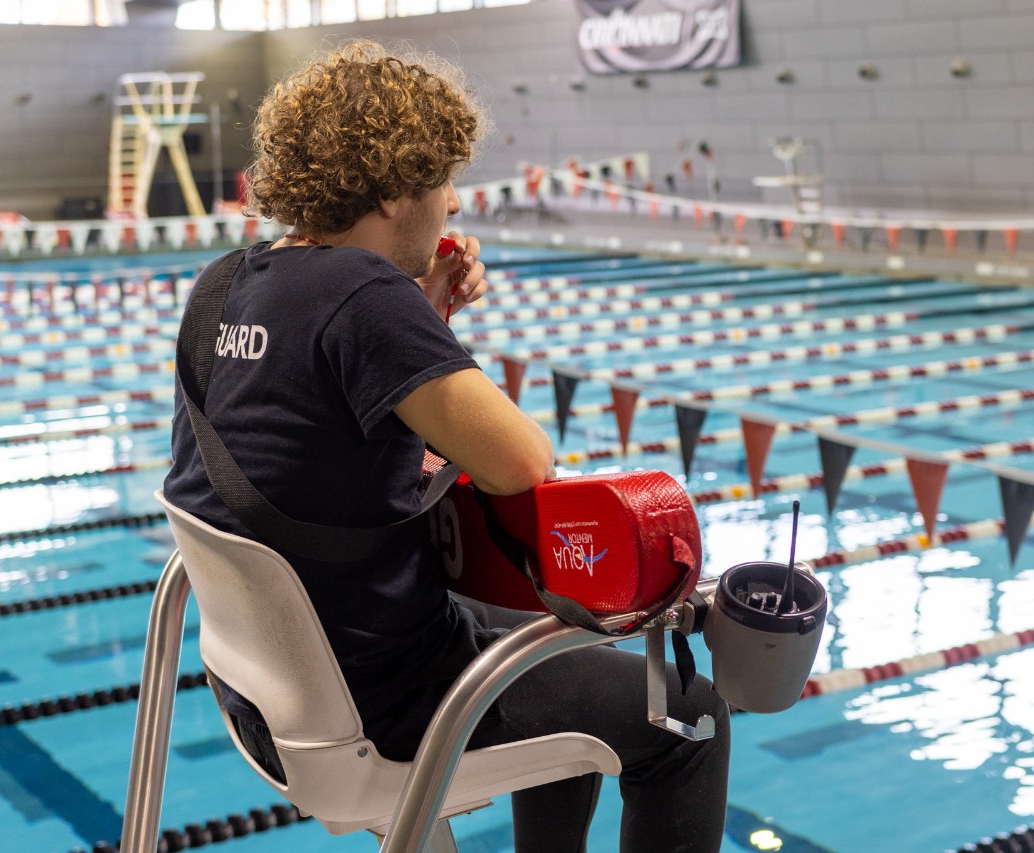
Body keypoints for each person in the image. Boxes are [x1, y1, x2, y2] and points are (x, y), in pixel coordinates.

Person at [164, 39, 729, 852]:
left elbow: (312, 434)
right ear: (396, 189)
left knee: (546, 641)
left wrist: (422, 321)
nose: (455, 202)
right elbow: (523, 462)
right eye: (443, 178)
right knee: (690, 714)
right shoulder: (366, 295)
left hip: (261, 698)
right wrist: (411, 314)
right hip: (384, 708)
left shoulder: (221, 284)